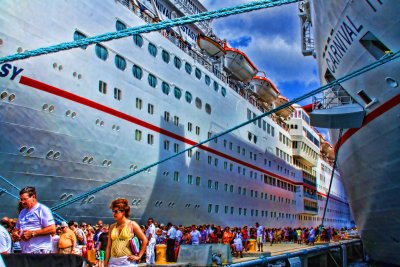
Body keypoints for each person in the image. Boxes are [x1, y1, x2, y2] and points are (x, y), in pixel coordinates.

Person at [11, 186, 56, 253]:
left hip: (40, 250)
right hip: (25, 251)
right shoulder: (22, 212)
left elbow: (52, 229)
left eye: (25, 199)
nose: (22, 202)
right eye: (21, 199)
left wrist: (33, 233)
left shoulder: (42, 209)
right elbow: (17, 229)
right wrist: (15, 234)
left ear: (33, 197)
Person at [105, 198, 148, 267]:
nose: (114, 214)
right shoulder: (112, 227)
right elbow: (108, 247)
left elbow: (144, 240)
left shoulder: (132, 224)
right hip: (113, 261)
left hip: (127, 262)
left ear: (123, 212)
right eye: (113, 211)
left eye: (116, 211)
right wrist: (105, 263)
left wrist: (139, 256)